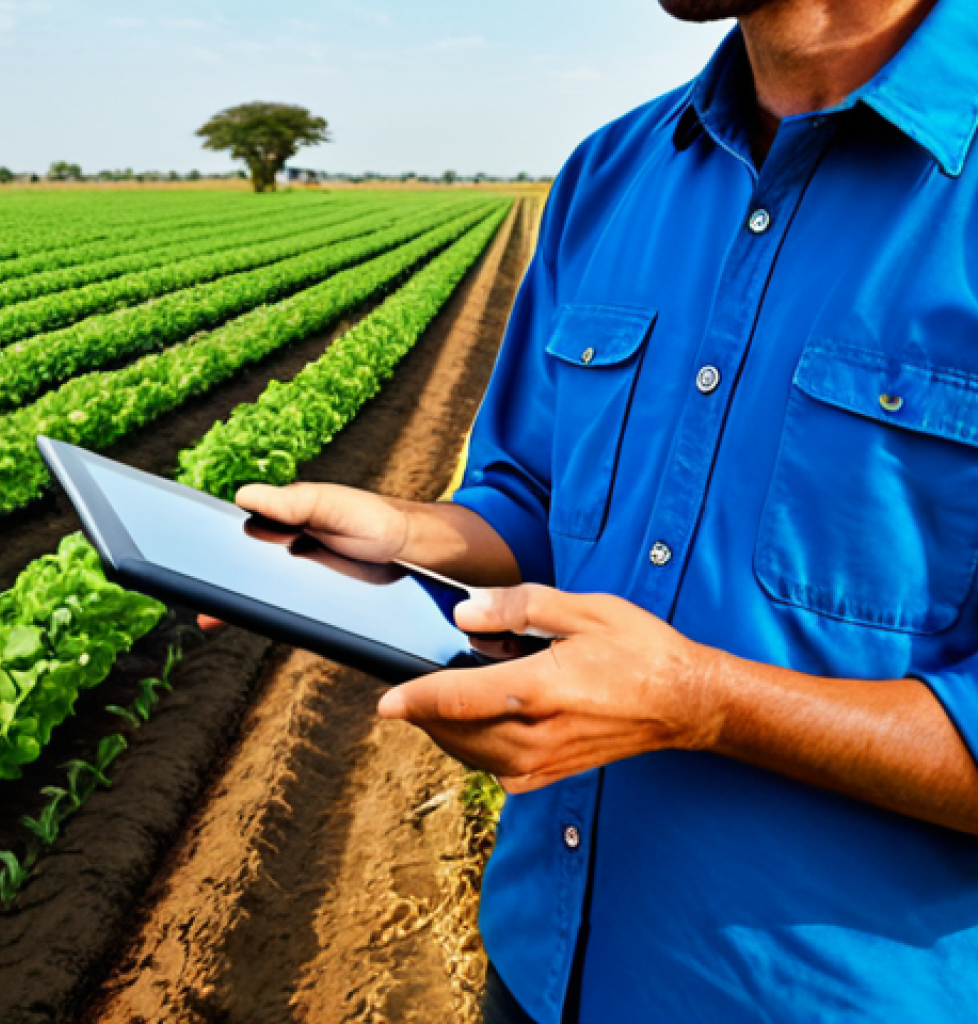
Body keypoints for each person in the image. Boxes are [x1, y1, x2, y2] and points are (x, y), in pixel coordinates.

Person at [208, 0, 978, 1019]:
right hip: (538, 964)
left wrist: (704, 699)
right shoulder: (614, 171)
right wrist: (405, 540)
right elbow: (533, 497)